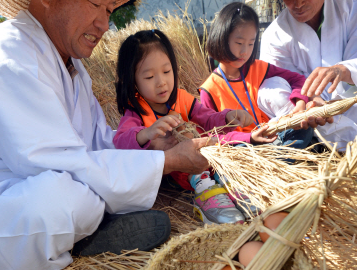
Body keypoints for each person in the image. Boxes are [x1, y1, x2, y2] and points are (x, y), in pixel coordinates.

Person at [0, 0, 211, 270]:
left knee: (78, 192)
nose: (104, 23)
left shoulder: (73, 67)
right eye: (95, 2)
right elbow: (63, 166)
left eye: (109, 9)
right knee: (58, 202)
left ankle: (93, 225)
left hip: (61, 179)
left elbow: (98, 144)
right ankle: (88, 236)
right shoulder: (6, 54)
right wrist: (164, 163)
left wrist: (149, 147)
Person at [113, 29, 274, 224]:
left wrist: (228, 117)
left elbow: (207, 118)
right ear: (134, 82)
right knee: (188, 150)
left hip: (207, 157)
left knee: (226, 153)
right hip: (183, 171)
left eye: (166, 71)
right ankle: (205, 191)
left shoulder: (182, 99)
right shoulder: (136, 112)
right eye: (149, 77)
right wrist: (145, 134)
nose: (161, 82)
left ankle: (233, 186)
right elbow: (120, 142)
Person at [248, 0, 357, 150]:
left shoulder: (351, 11)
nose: (298, 3)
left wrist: (343, 70)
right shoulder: (275, 34)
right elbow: (272, 83)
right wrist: (301, 105)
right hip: (312, 136)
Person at [199, 2, 316, 149]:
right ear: (221, 38)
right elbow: (211, 136)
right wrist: (249, 138)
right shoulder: (209, 90)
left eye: (251, 44)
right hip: (242, 147)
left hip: (272, 135)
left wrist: (300, 102)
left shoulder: (259, 68)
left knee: (303, 128)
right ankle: (281, 160)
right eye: (239, 43)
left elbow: (298, 79)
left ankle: (278, 159)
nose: (245, 51)